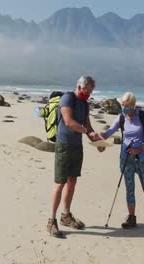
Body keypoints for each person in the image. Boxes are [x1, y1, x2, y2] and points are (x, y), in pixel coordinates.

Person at [46, 75, 102, 238]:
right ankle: (51, 220)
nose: (88, 95)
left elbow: (88, 126)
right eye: (87, 91)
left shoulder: (84, 104)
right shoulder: (67, 98)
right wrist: (87, 131)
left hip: (77, 146)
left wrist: (97, 141)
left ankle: (66, 215)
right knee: (59, 183)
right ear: (79, 87)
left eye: (91, 92)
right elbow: (69, 121)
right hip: (64, 146)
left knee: (72, 180)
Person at [100, 92, 144, 231]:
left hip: (142, 159)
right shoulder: (121, 117)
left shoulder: (142, 116)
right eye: (122, 105)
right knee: (129, 189)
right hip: (126, 158)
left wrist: (140, 148)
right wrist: (100, 138)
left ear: (133, 105)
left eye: (126, 105)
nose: (124, 108)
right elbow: (110, 131)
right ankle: (131, 217)